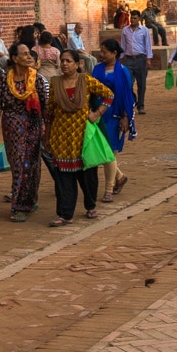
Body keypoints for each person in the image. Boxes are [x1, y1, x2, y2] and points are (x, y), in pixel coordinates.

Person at [43, 49, 114, 227]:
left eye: (68, 61)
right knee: (63, 179)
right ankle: (65, 214)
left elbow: (108, 95)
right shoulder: (55, 83)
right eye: (63, 61)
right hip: (61, 138)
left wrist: (97, 113)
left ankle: (90, 206)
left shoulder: (86, 80)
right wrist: (48, 136)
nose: (65, 64)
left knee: (88, 176)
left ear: (77, 64)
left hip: (83, 138)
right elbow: (50, 111)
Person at [0, 41, 49, 220]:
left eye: (29, 53)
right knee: (19, 164)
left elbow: (45, 106)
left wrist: (46, 126)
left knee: (32, 165)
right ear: (14, 58)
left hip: (33, 125)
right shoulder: (4, 79)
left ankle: (29, 201)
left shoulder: (36, 78)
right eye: (24, 54)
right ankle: (18, 206)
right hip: (12, 127)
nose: (29, 56)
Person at [91, 39, 135, 202]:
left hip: (115, 115)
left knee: (109, 152)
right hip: (98, 115)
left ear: (114, 53)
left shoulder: (123, 71)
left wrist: (125, 117)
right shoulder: (97, 69)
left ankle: (108, 190)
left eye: (104, 52)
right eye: (100, 52)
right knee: (101, 151)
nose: (101, 55)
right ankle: (120, 176)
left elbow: (126, 96)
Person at [120, 11, 154, 113]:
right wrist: (121, 58)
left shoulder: (144, 30)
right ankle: (133, 99)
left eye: (135, 18)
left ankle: (141, 106)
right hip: (129, 60)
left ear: (139, 19)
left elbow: (148, 44)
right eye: (132, 18)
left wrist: (148, 59)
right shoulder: (125, 30)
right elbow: (123, 44)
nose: (133, 20)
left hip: (141, 59)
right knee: (127, 82)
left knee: (141, 84)